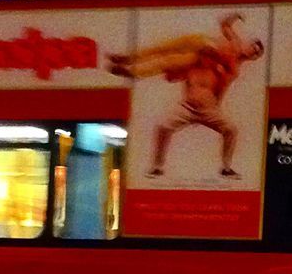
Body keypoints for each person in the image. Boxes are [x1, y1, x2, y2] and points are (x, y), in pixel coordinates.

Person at [109, 13, 265, 180]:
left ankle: (226, 167)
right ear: (249, 44)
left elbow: (220, 89)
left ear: (253, 58)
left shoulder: (234, 70)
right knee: (165, 52)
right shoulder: (235, 43)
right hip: (199, 49)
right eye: (252, 47)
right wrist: (236, 16)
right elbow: (225, 25)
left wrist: (214, 106)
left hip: (203, 96)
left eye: (254, 53)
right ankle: (130, 61)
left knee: (229, 130)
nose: (250, 52)